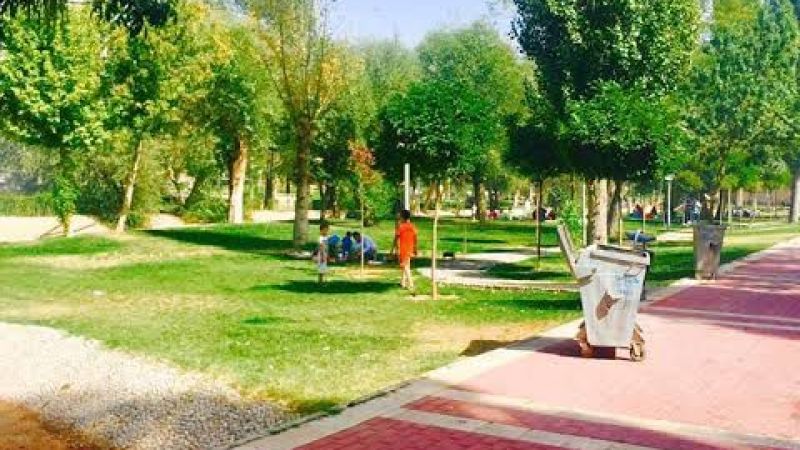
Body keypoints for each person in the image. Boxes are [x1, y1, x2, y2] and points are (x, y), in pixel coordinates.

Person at [395, 210, 418, 290]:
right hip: (410, 248)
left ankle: (411, 284)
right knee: (407, 265)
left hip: (403, 249)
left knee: (405, 266)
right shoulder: (412, 226)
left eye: (400, 216)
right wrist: (415, 248)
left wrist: (397, 249)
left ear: (402, 217)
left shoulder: (401, 227)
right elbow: (415, 238)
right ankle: (403, 282)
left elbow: (397, 239)